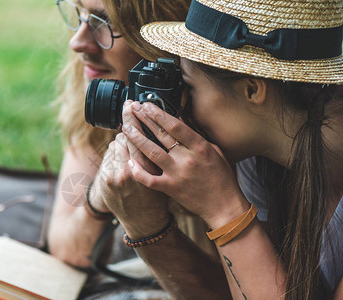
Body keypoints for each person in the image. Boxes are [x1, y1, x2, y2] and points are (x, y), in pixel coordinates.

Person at [100, 0, 343, 299]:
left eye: (188, 87)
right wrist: (145, 223)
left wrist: (223, 208)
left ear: (252, 89)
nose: (182, 109)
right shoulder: (261, 157)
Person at [48, 0, 221, 286]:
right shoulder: (99, 83)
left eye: (107, 23)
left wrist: (148, 227)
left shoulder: (231, 129)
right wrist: (100, 196)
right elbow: (68, 246)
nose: (77, 42)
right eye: (79, 15)